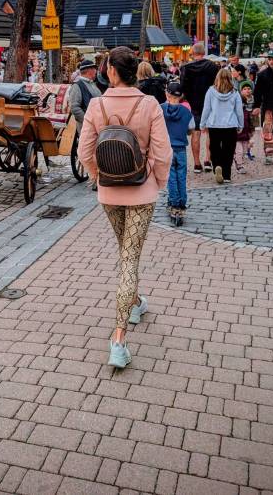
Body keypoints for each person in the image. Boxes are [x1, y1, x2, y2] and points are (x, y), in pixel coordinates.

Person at [78, 46, 172, 369]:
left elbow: (84, 152)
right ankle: (119, 338)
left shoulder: (95, 104)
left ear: (112, 72)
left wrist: (98, 176)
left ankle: (134, 302)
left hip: (109, 193)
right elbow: (163, 153)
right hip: (140, 191)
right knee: (129, 257)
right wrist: (156, 183)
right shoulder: (150, 105)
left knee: (126, 252)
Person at [180, 42, 219, 173]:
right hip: (210, 103)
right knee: (209, 133)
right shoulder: (213, 66)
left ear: (193, 53)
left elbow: (183, 88)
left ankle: (197, 163)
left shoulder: (186, 68)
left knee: (196, 133)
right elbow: (217, 85)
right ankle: (208, 160)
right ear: (203, 52)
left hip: (193, 103)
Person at [200, 67, 244, 184]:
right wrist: (241, 125)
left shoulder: (210, 91)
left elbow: (206, 109)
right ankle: (227, 175)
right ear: (230, 79)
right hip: (230, 125)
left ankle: (217, 167)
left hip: (214, 124)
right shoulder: (235, 93)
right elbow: (239, 111)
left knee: (214, 148)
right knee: (228, 150)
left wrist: (202, 124)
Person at [161, 81, 195, 223]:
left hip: (167, 148)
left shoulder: (160, 109)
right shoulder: (186, 111)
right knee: (181, 176)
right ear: (181, 96)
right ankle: (181, 202)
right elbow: (191, 128)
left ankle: (174, 202)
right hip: (181, 148)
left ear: (166, 94)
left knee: (171, 177)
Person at [68, 58, 101, 136]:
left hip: (96, 125)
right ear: (90, 70)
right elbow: (74, 108)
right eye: (94, 69)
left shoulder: (92, 83)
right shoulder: (77, 86)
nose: (96, 71)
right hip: (87, 128)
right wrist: (87, 121)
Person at [235, 81, 255, 172]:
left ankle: (239, 161)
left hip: (245, 134)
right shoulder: (235, 113)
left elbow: (250, 123)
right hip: (237, 135)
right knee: (239, 151)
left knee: (243, 151)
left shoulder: (247, 112)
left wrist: (251, 133)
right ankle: (239, 166)